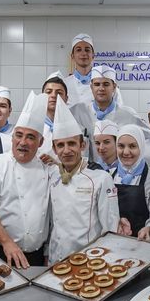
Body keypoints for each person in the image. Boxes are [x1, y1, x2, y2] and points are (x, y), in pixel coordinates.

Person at [0, 93, 54, 268]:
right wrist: (6, 241)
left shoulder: (47, 169)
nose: (22, 142)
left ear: (41, 142)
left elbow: (50, 216)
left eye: (31, 137)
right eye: (19, 135)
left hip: (36, 256)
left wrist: (47, 252)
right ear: (12, 137)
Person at [44, 104, 124, 263]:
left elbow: (111, 227)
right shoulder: (52, 177)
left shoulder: (101, 179)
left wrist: (107, 261)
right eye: (60, 145)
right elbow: (51, 223)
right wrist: (47, 253)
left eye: (72, 144)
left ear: (82, 145)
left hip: (89, 261)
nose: (66, 150)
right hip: (56, 260)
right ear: (54, 148)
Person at [113, 124, 150, 241]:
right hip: (115, 240)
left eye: (132, 146)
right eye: (121, 146)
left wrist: (149, 229)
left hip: (143, 242)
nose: (126, 152)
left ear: (141, 147)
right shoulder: (109, 177)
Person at [88, 66, 148, 135]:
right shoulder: (82, 113)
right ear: (91, 87)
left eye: (106, 84)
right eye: (97, 84)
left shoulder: (128, 115)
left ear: (114, 87)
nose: (101, 88)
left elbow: (149, 136)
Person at [62, 33, 96, 106]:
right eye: (78, 50)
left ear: (93, 55)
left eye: (87, 50)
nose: (83, 53)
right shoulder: (64, 84)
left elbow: (118, 112)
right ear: (72, 56)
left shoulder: (104, 83)